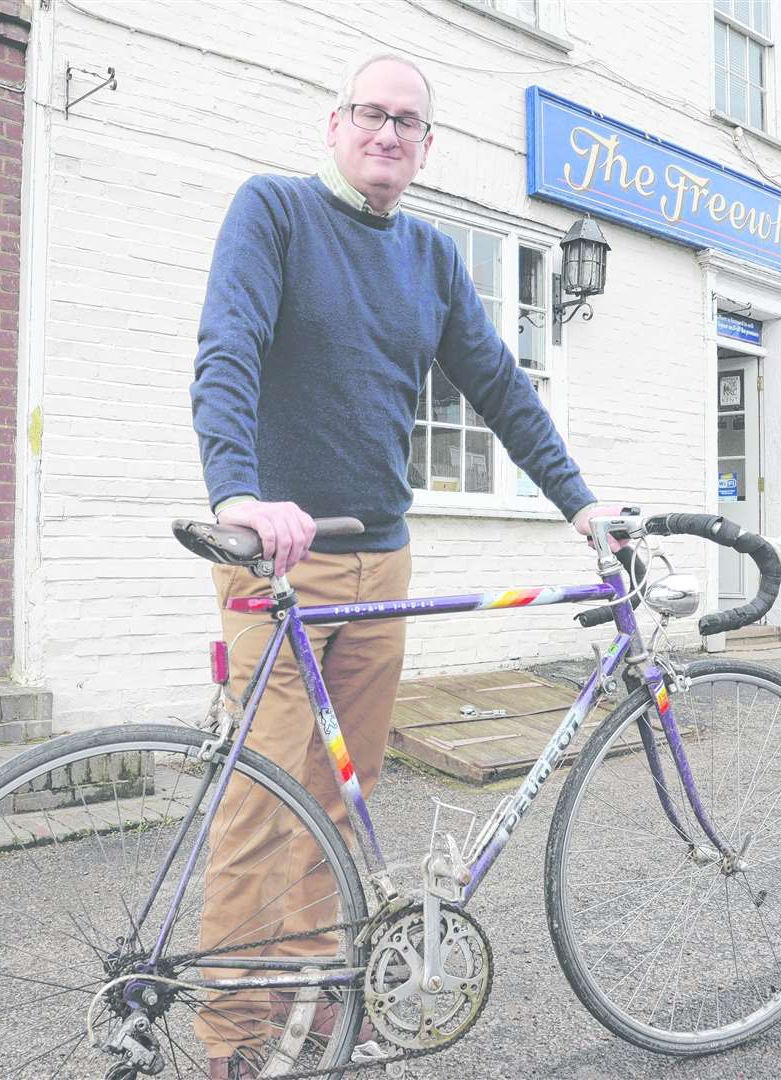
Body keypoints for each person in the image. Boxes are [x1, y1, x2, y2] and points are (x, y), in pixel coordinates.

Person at [188, 52, 619, 1078]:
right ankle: (229, 1042)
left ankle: (319, 1004)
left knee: (342, 800)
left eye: (407, 123)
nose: (387, 134)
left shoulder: (427, 258)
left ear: (426, 149)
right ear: (334, 123)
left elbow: (501, 390)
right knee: (264, 799)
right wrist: (237, 496)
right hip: (280, 563)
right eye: (371, 114)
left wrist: (582, 504)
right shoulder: (274, 213)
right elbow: (227, 348)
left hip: (380, 563)